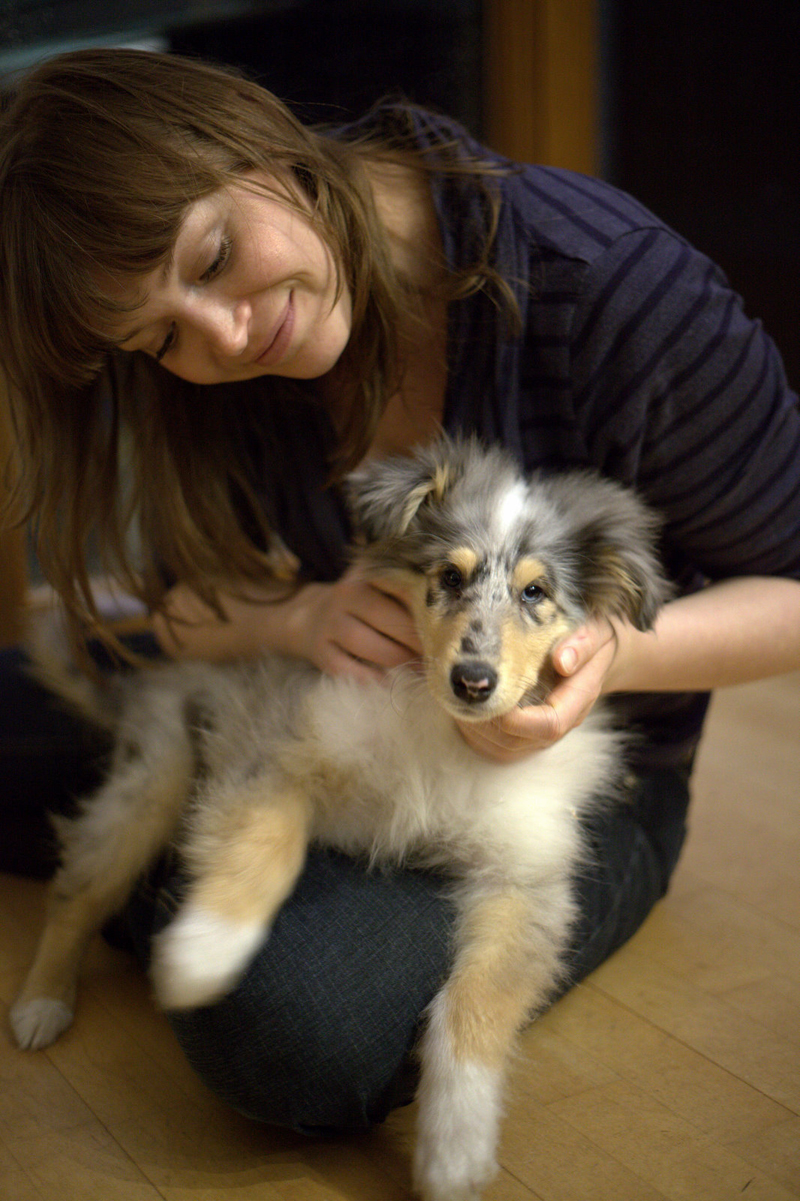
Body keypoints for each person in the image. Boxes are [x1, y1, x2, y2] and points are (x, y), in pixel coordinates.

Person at [1, 47, 799, 1134]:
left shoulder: (614, 290)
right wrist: (295, 612)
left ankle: (172, 858)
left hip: (555, 778)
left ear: (254, 145)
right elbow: (174, 604)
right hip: (320, 711)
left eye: (217, 255)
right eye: (161, 337)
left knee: (288, 1027)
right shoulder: (214, 375)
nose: (227, 337)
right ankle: (176, 841)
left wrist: (608, 653)